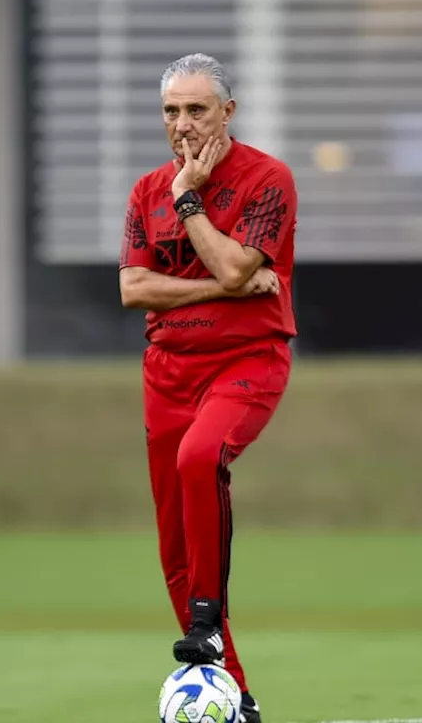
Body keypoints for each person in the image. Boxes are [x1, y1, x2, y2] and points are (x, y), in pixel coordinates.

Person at [118, 53, 297, 723]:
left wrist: (189, 200)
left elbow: (234, 264)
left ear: (228, 111)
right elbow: (134, 289)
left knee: (202, 458)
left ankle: (206, 619)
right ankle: (238, 697)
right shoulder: (144, 191)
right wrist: (216, 286)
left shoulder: (267, 180)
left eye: (197, 109)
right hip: (167, 372)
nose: (183, 124)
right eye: (171, 111)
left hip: (246, 359)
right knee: (174, 547)